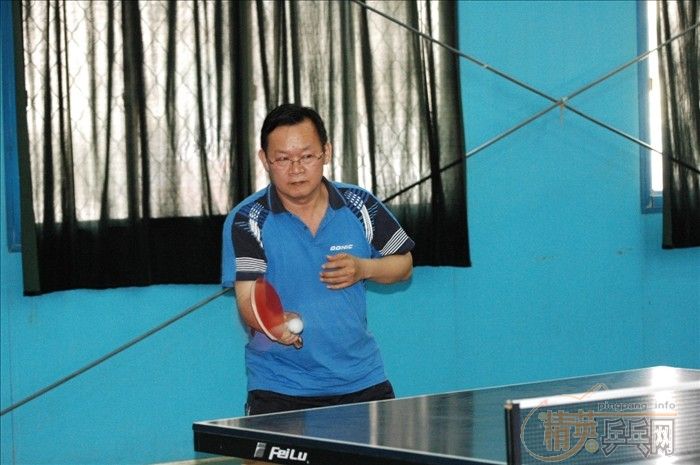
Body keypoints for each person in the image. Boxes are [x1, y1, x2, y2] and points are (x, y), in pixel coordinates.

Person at [221, 103, 414, 415]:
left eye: (307, 156)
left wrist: (364, 268)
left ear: (327, 152)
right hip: (280, 386)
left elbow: (404, 265)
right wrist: (273, 324)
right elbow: (247, 297)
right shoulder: (248, 219)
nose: (296, 169)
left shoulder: (359, 204)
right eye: (283, 159)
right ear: (264, 160)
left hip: (361, 379)